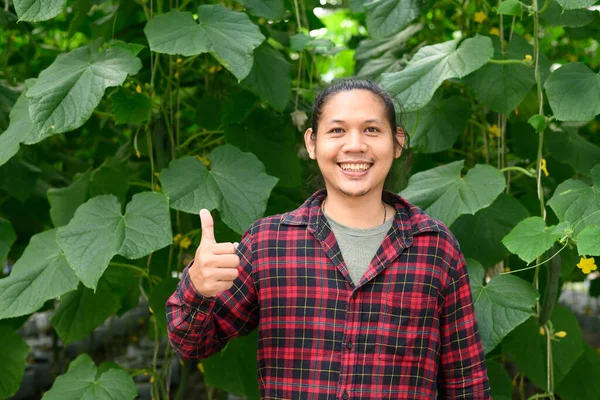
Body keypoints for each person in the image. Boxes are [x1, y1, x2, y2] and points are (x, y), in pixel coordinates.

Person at [166, 79, 491, 399]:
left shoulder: (434, 246)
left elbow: (467, 381)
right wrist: (196, 287)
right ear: (311, 143)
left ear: (397, 142)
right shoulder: (268, 244)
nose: (354, 145)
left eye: (371, 130)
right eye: (337, 130)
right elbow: (193, 344)